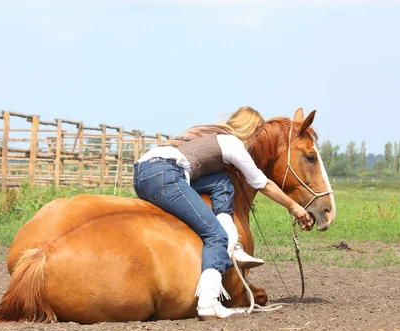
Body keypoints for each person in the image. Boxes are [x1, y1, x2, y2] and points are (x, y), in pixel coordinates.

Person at [133, 106, 313, 320]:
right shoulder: (233, 144)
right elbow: (260, 182)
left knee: (221, 183)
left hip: (143, 172)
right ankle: (208, 303)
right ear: (251, 129)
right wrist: (294, 206)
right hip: (165, 174)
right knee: (216, 236)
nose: (256, 140)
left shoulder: (213, 136)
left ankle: (234, 245)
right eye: (257, 134)